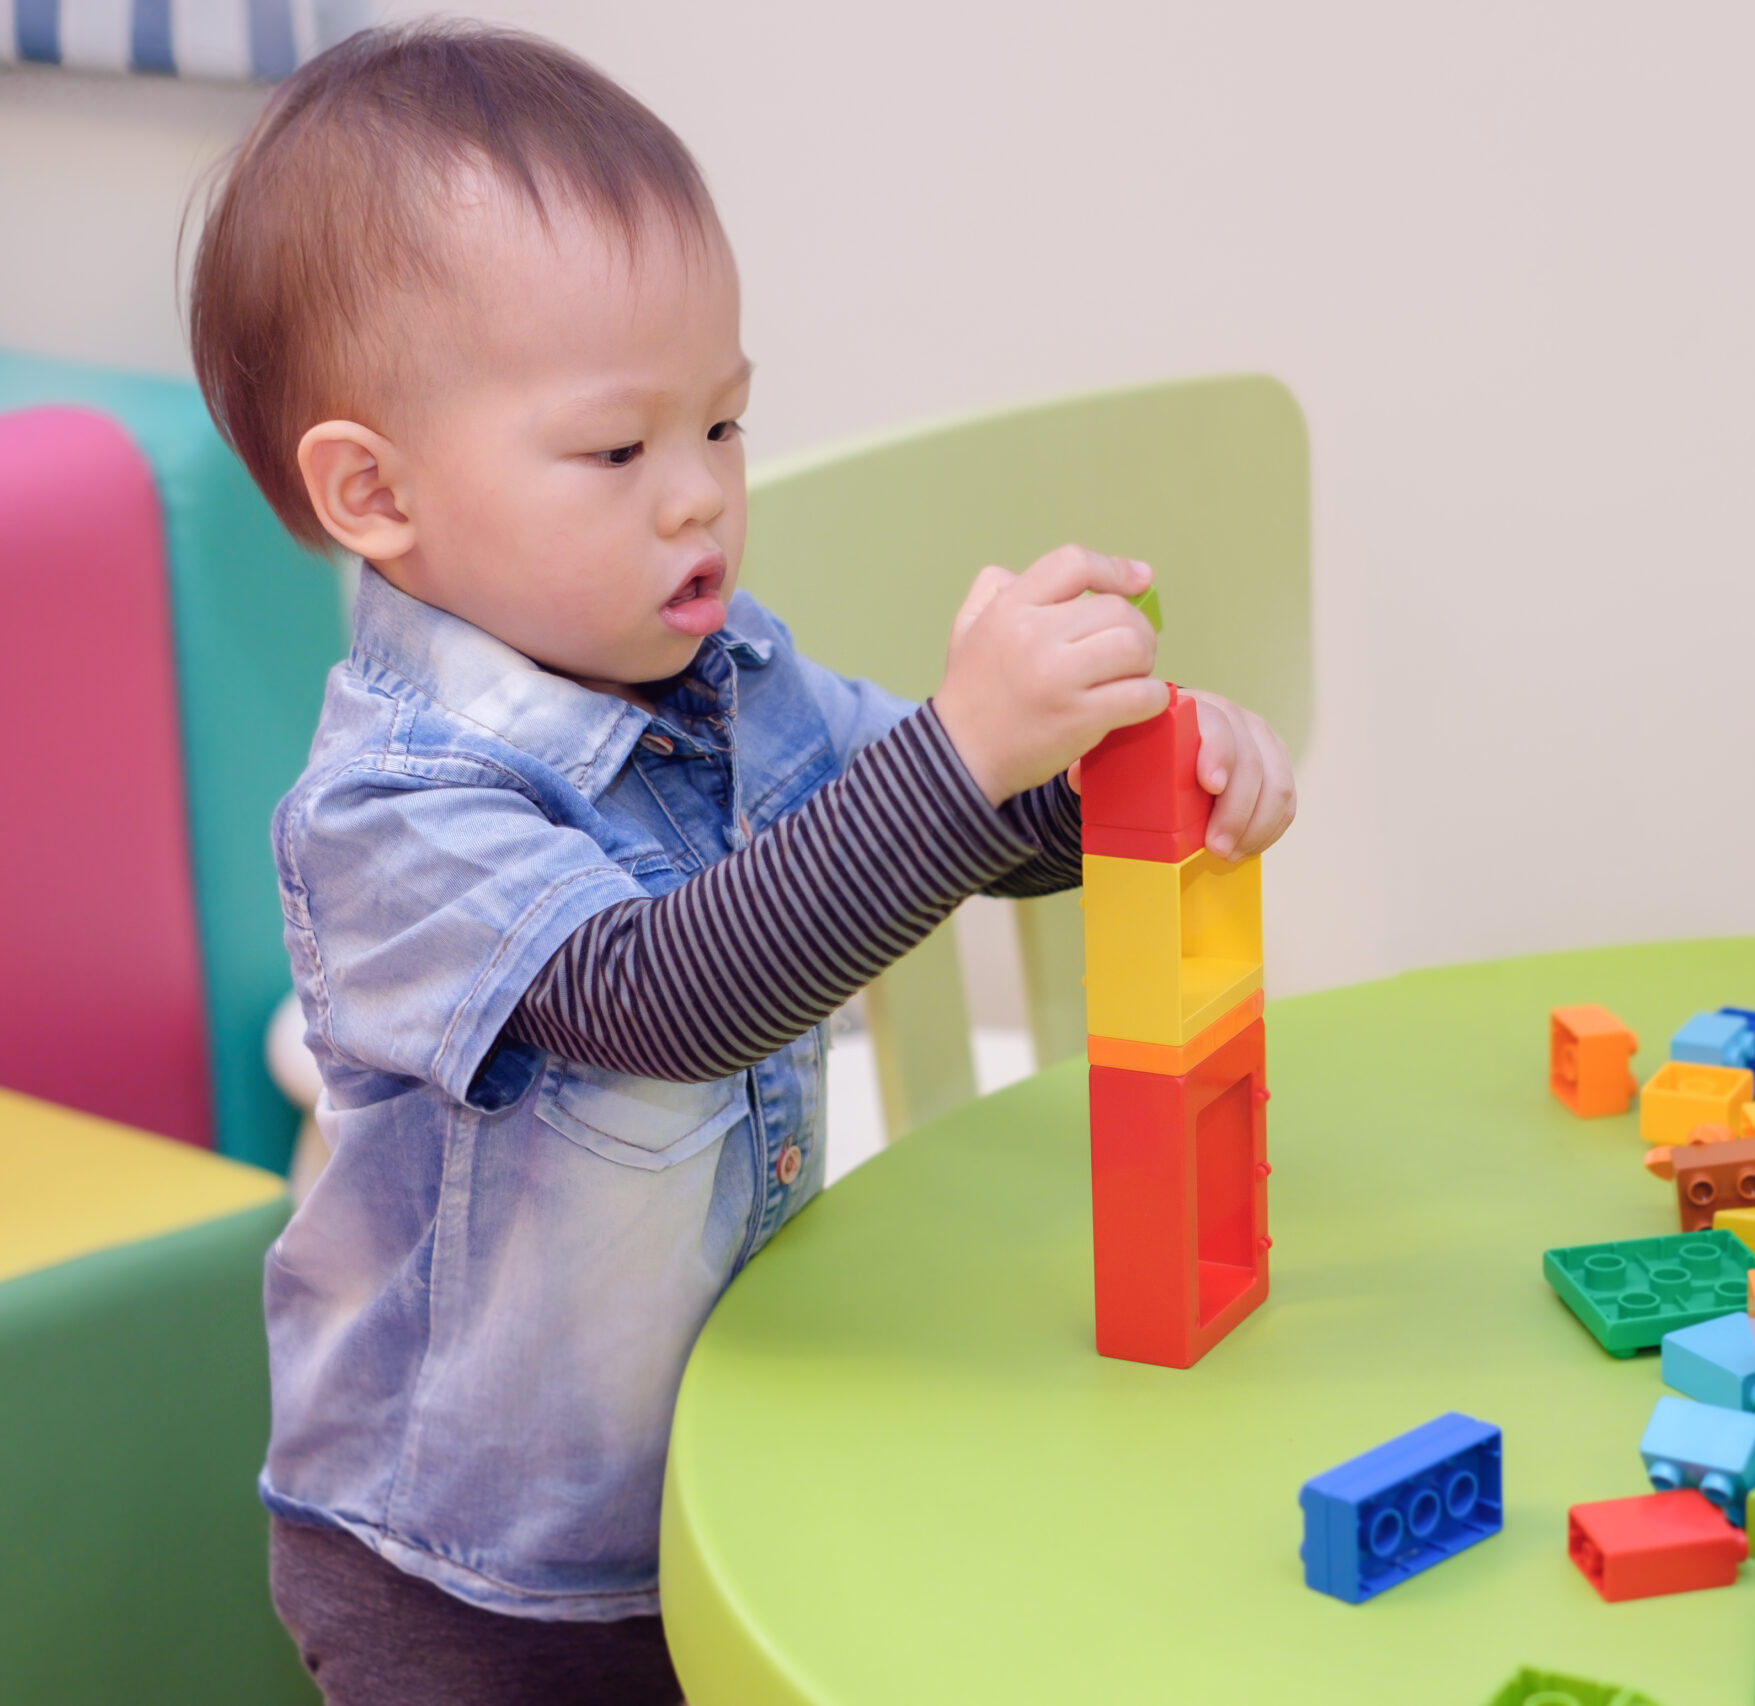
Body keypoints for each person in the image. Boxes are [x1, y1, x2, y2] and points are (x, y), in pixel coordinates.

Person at [187, 22, 1295, 1704]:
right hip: (471, 1577)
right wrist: (958, 749)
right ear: (376, 491)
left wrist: (1124, 778)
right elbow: (666, 990)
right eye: (620, 450)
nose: (700, 495)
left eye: (725, 422)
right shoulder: (392, 811)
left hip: (711, 1467)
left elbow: (944, 830)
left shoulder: (735, 670)